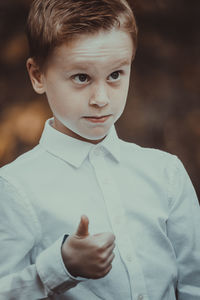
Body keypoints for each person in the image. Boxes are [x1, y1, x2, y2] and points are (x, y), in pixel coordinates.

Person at [0, 0, 199, 299]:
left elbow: (193, 283)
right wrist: (60, 266)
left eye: (116, 75)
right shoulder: (14, 187)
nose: (101, 98)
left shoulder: (165, 172)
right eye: (81, 77)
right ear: (37, 75)